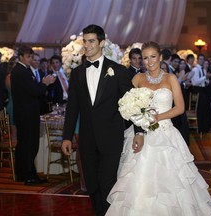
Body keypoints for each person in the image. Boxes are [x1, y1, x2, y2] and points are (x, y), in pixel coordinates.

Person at [106, 41, 211, 215]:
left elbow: (180, 107)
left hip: (165, 132)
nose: (149, 61)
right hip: (141, 134)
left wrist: (156, 118)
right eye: (145, 58)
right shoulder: (138, 79)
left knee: (171, 182)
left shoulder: (170, 78)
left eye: (152, 57)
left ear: (160, 57)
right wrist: (136, 115)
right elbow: (127, 103)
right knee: (139, 180)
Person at [61, 24, 144, 216]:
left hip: (111, 139)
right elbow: (72, 107)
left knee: (108, 185)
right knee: (92, 186)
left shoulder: (118, 71)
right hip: (87, 140)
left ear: (102, 43)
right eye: (85, 41)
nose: (87, 45)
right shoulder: (77, 73)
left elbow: (131, 104)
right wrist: (67, 137)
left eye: (91, 41)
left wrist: (139, 131)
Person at [11, 45, 55, 185]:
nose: (31, 59)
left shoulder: (20, 70)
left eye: (31, 56)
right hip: (27, 114)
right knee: (30, 145)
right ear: (21, 57)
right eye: (28, 57)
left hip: (24, 113)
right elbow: (34, 92)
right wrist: (44, 83)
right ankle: (29, 176)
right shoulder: (22, 72)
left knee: (24, 145)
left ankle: (22, 173)